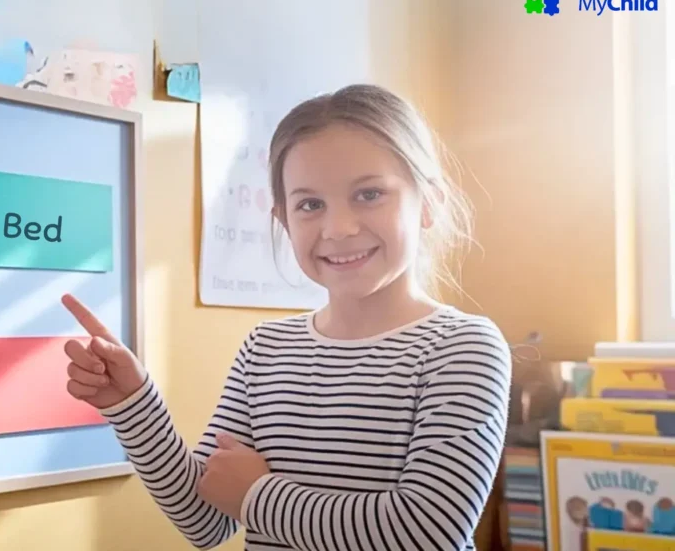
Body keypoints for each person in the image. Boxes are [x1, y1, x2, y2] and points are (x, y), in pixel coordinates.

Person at [60, 84, 512, 551]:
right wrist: (134, 403)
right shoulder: (267, 348)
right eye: (310, 205)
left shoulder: (463, 347)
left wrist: (256, 496)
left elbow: (425, 531)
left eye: (370, 194)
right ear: (283, 219)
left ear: (430, 202)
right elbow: (205, 520)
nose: (338, 229)